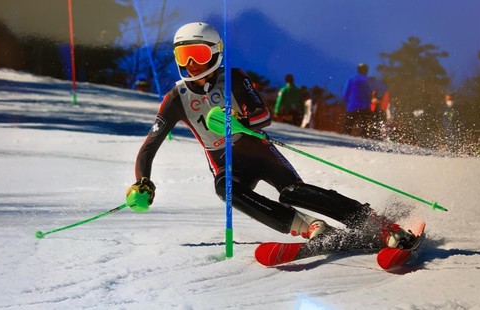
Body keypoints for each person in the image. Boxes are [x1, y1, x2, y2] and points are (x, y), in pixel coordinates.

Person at [126, 22, 414, 252]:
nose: (191, 64)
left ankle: (379, 224)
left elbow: (264, 115)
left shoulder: (234, 79)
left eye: (198, 55)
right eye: (182, 55)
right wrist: (143, 181)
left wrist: (241, 121)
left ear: (214, 53)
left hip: (260, 151)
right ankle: (312, 227)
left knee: (292, 192)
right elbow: (150, 146)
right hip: (227, 163)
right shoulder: (177, 98)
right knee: (226, 189)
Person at [342, 63, 373, 138]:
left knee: (348, 125)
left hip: (352, 106)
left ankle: (343, 140)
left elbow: (346, 91)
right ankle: (363, 142)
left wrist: (347, 101)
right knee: (364, 127)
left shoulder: (352, 79)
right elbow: (372, 92)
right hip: (365, 106)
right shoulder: (369, 80)